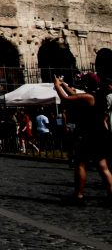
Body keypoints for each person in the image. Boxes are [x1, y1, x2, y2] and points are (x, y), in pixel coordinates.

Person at [53, 73, 112, 205]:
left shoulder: (90, 96)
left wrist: (57, 86)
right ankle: (110, 195)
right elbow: (75, 95)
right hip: (100, 134)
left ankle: (78, 195)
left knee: (80, 164)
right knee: (103, 166)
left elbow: (67, 98)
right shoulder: (98, 96)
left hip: (90, 135)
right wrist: (63, 84)